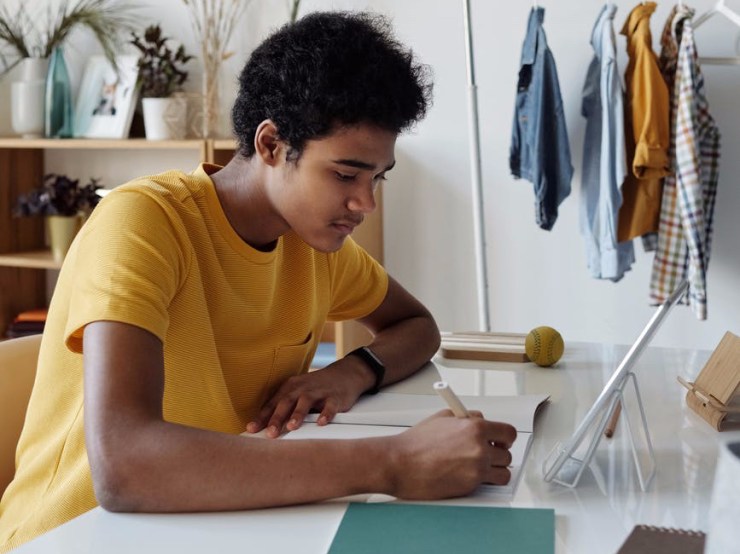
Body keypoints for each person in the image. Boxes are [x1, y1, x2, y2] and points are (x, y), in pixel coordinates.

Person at [0, 12, 516, 551]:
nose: (365, 203)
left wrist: (351, 373)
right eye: (345, 175)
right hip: (74, 537)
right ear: (270, 144)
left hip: (216, 525)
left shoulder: (316, 244)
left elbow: (415, 325)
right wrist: (391, 463)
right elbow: (124, 466)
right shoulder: (145, 223)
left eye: (376, 178)